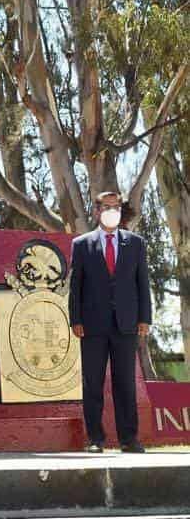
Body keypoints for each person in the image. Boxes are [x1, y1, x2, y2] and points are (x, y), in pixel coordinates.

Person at [69, 190, 152, 453]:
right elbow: (76, 287)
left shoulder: (136, 243)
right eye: (106, 206)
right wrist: (76, 319)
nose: (111, 210)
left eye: (116, 206)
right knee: (92, 383)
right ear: (97, 211)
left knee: (125, 383)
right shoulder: (82, 244)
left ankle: (129, 439)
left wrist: (144, 318)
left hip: (126, 324)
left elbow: (142, 284)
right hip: (92, 326)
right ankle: (95, 439)